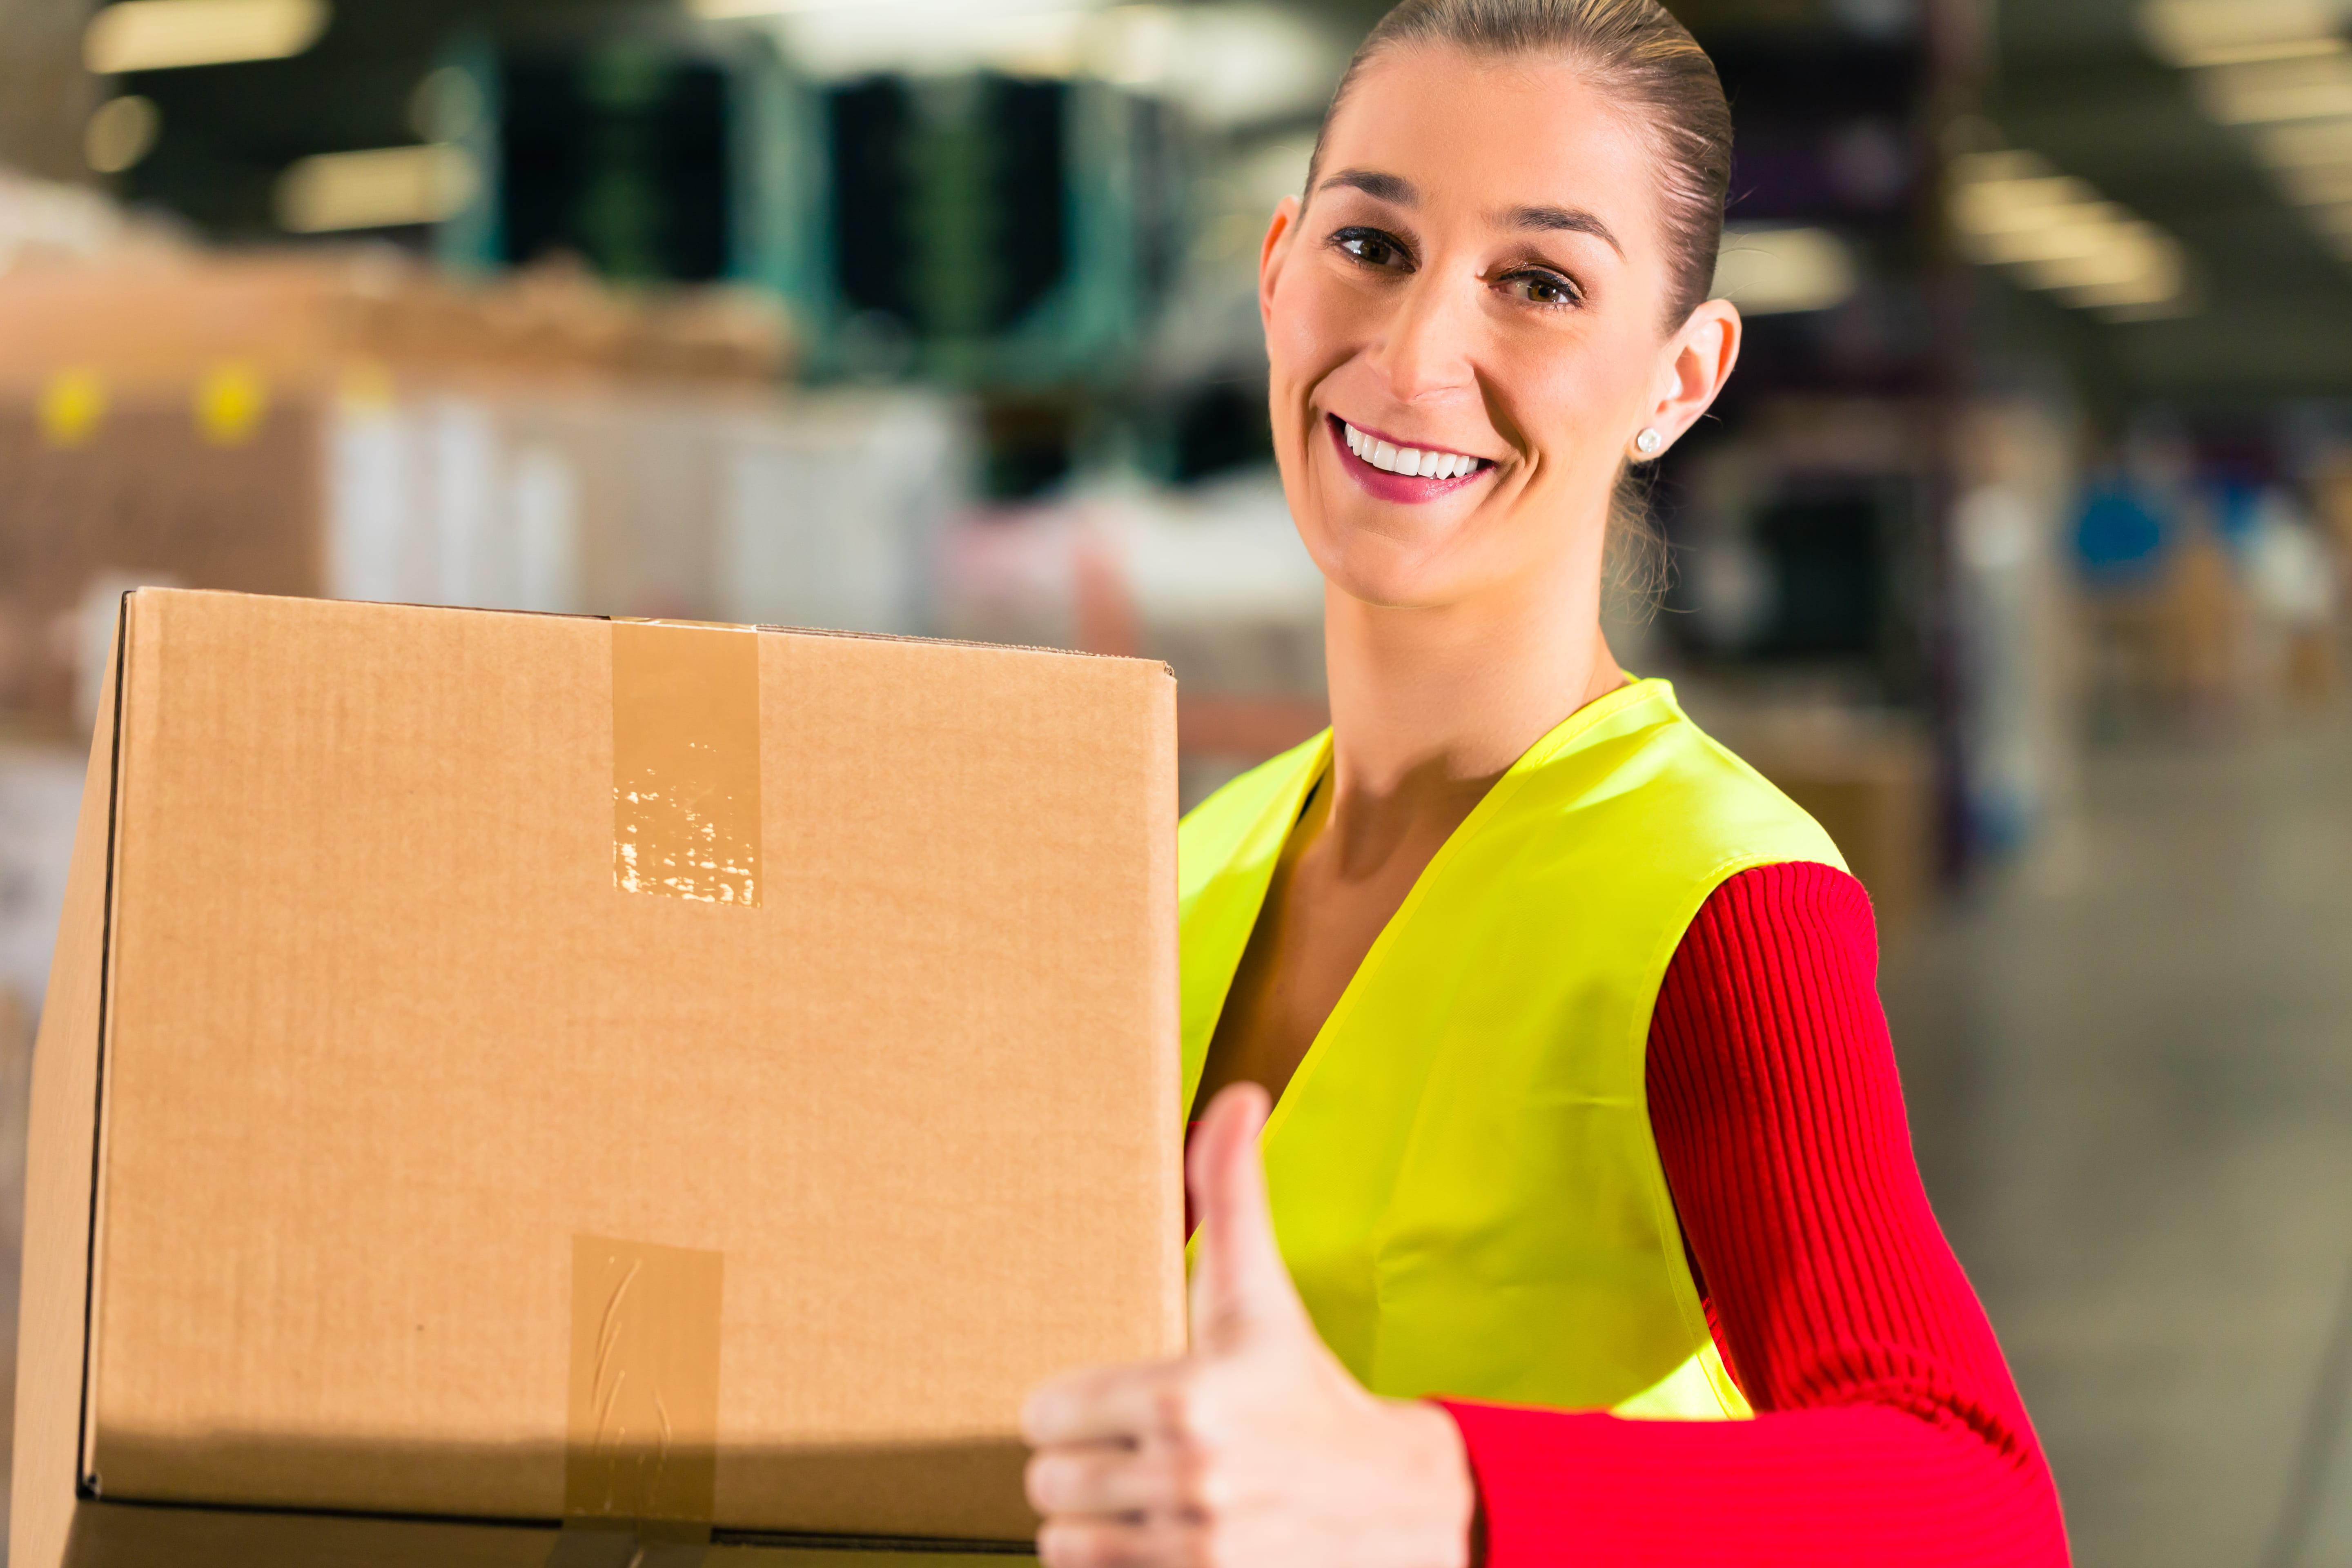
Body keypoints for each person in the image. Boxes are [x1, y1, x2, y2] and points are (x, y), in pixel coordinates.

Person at [1020, 1, 2071, 1563]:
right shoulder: (1191, 862)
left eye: (1541, 283)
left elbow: (1979, 1503)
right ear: (1274, 271)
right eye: (1372, 246)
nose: (1416, 350)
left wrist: (1425, 1492)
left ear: (1680, 378)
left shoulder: (1719, 906)